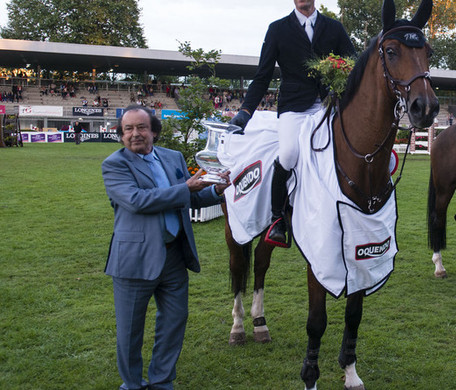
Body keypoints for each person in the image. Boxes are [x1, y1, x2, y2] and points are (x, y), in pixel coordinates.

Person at [101, 105, 230, 390]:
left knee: (174, 322)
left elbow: (189, 200)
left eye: (141, 128)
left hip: (174, 255)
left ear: (154, 131)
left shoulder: (172, 158)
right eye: (128, 129)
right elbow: (137, 200)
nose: (135, 134)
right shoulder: (115, 165)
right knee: (130, 331)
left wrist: (216, 190)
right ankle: (132, 384)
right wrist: (186, 188)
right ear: (121, 135)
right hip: (134, 260)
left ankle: (161, 381)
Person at [230, 0, 355, 247]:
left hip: (327, 104)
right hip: (293, 106)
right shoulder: (277, 29)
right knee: (288, 154)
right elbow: (262, 75)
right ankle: (277, 219)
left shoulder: (334, 28)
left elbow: (354, 65)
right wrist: (245, 111)